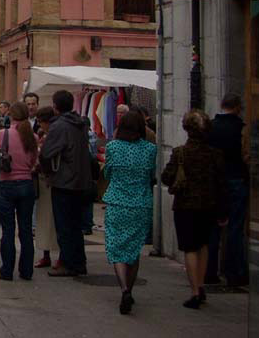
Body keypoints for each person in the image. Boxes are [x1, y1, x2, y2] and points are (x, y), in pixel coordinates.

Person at [162, 109, 228, 309]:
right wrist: (223, 210)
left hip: (185, 206)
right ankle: (201, 284)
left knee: (189, 248)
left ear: (187, 129)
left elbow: (166, 177)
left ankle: (195, 291)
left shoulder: (180, 152)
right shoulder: (215, 154)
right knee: (203, 245)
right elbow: (221, 183)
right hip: (209, 206)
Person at [103, 109, 158, 315]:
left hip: (117, 201)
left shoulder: (113, 147)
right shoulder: (150, 150)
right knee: (134, 249)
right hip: (141, 203)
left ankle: (124, 288)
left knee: (116, 245)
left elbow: (108, 172)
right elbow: (152, 174)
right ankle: (130, 289)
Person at [40, 89, 92, 277]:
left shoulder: (60, 126)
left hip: (64, 181)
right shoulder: (80, 123)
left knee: (64, 225)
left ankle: (68, 263)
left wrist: (47, 172)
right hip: (82, 180)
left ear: (55, 107)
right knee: (76, 225)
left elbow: (46, 153)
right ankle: (79, 261)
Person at [206, 93, 249, 287]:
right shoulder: (241, 129)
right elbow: (246, 156)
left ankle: (210, 271)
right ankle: (234, 272)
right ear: (238, 107)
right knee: (235, 228)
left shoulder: (211, 128)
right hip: (236, 179)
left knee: (213, 228)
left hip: (215, 182)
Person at [0, 101, 37, 281]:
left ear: (10, 115)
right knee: (26, 230)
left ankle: (7, 270)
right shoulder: (32, 136)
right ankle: (26, 271)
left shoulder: (3, 134)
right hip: (26, 184)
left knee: (8, 229)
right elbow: (35, 160)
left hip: (6, 183)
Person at [33, 107, 61, 269]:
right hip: (45, 182)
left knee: (53, 221)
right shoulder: (44, 136)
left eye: (40, 122)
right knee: (44, 220)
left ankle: (55, 255)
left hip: (52, 181)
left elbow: (46, 157)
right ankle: (46, 254)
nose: (39, 125)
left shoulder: (54, 136)